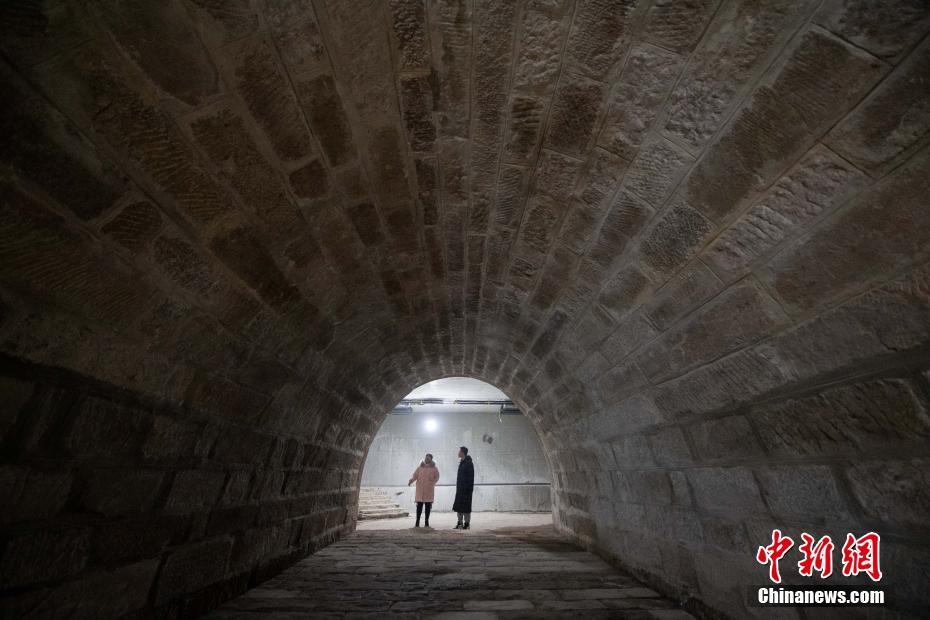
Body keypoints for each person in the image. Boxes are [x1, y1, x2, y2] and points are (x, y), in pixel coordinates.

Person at [408, 453, 439, 528]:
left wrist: (432, 482)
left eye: (428, 458)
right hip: (420, 489)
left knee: (428, 506)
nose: (426, 459)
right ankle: (417, 521)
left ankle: (426, 522)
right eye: (426, 458)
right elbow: (415, 475)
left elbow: (437, 477)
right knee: (419, 506)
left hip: (429, 490)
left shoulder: (434, 468)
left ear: (431, 459)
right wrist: (411, 481)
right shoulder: (420, 467)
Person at [452, 446, 474, 529]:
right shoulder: (462, 462)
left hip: (466, 490)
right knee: (459, 506)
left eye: (459, 451)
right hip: (460, 489)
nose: (458, 453)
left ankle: (467, 523)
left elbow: (471, 477)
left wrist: (468, 489)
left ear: (462, 453)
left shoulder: (468, 463)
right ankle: (460, 523)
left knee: (466, 507)